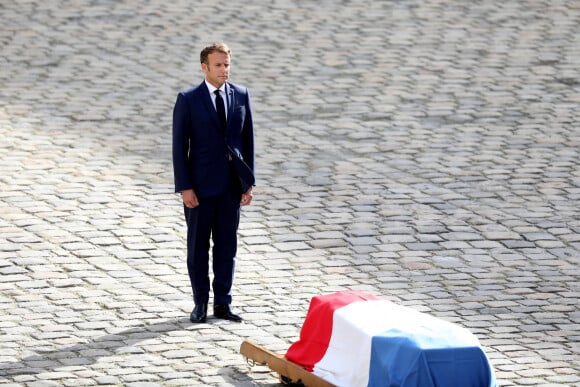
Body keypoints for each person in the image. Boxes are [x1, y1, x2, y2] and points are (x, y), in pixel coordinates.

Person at [172, 42, 254, 323]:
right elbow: (179, 147)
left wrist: (247, 182)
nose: (224, 70)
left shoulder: (241, 95)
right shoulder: (189, 99)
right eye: (218, 65)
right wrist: (185, 187)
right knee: (197, 248)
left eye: (227, 65)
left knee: (227, 247)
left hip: (230, 188)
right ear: (204, 67)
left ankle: (223, 303)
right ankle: (200, 303)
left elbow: (247, 142)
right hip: (200, 189)